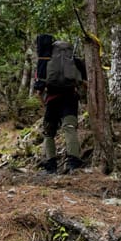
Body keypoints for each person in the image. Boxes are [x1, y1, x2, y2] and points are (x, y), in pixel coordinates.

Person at [34, 39, 87, 174]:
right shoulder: (75, 61)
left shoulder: (45, 62)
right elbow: (85, 82)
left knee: (49, 133)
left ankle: (51, 165)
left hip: (52, 100)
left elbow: (39, 90)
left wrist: (45, 102)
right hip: (70, 98)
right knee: (69, 128)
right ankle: (73, 162)